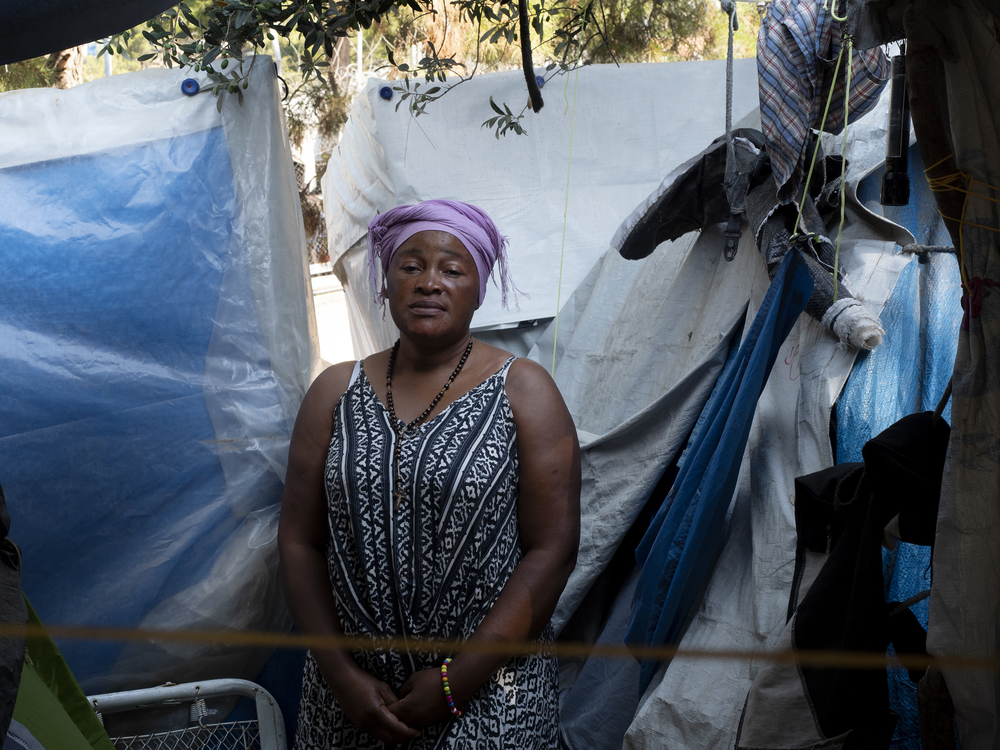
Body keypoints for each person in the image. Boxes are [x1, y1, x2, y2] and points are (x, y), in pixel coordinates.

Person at [278, 199, 581, 749]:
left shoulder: (524, 390)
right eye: (411, 266)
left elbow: (554, 549)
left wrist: (457, 680)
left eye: (452, 269)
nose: (429, 283)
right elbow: (300, 542)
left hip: (490, 692)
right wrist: (340, 675)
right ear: (386, 282)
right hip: (353, 699)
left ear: (479, 288)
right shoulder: (334, 393)